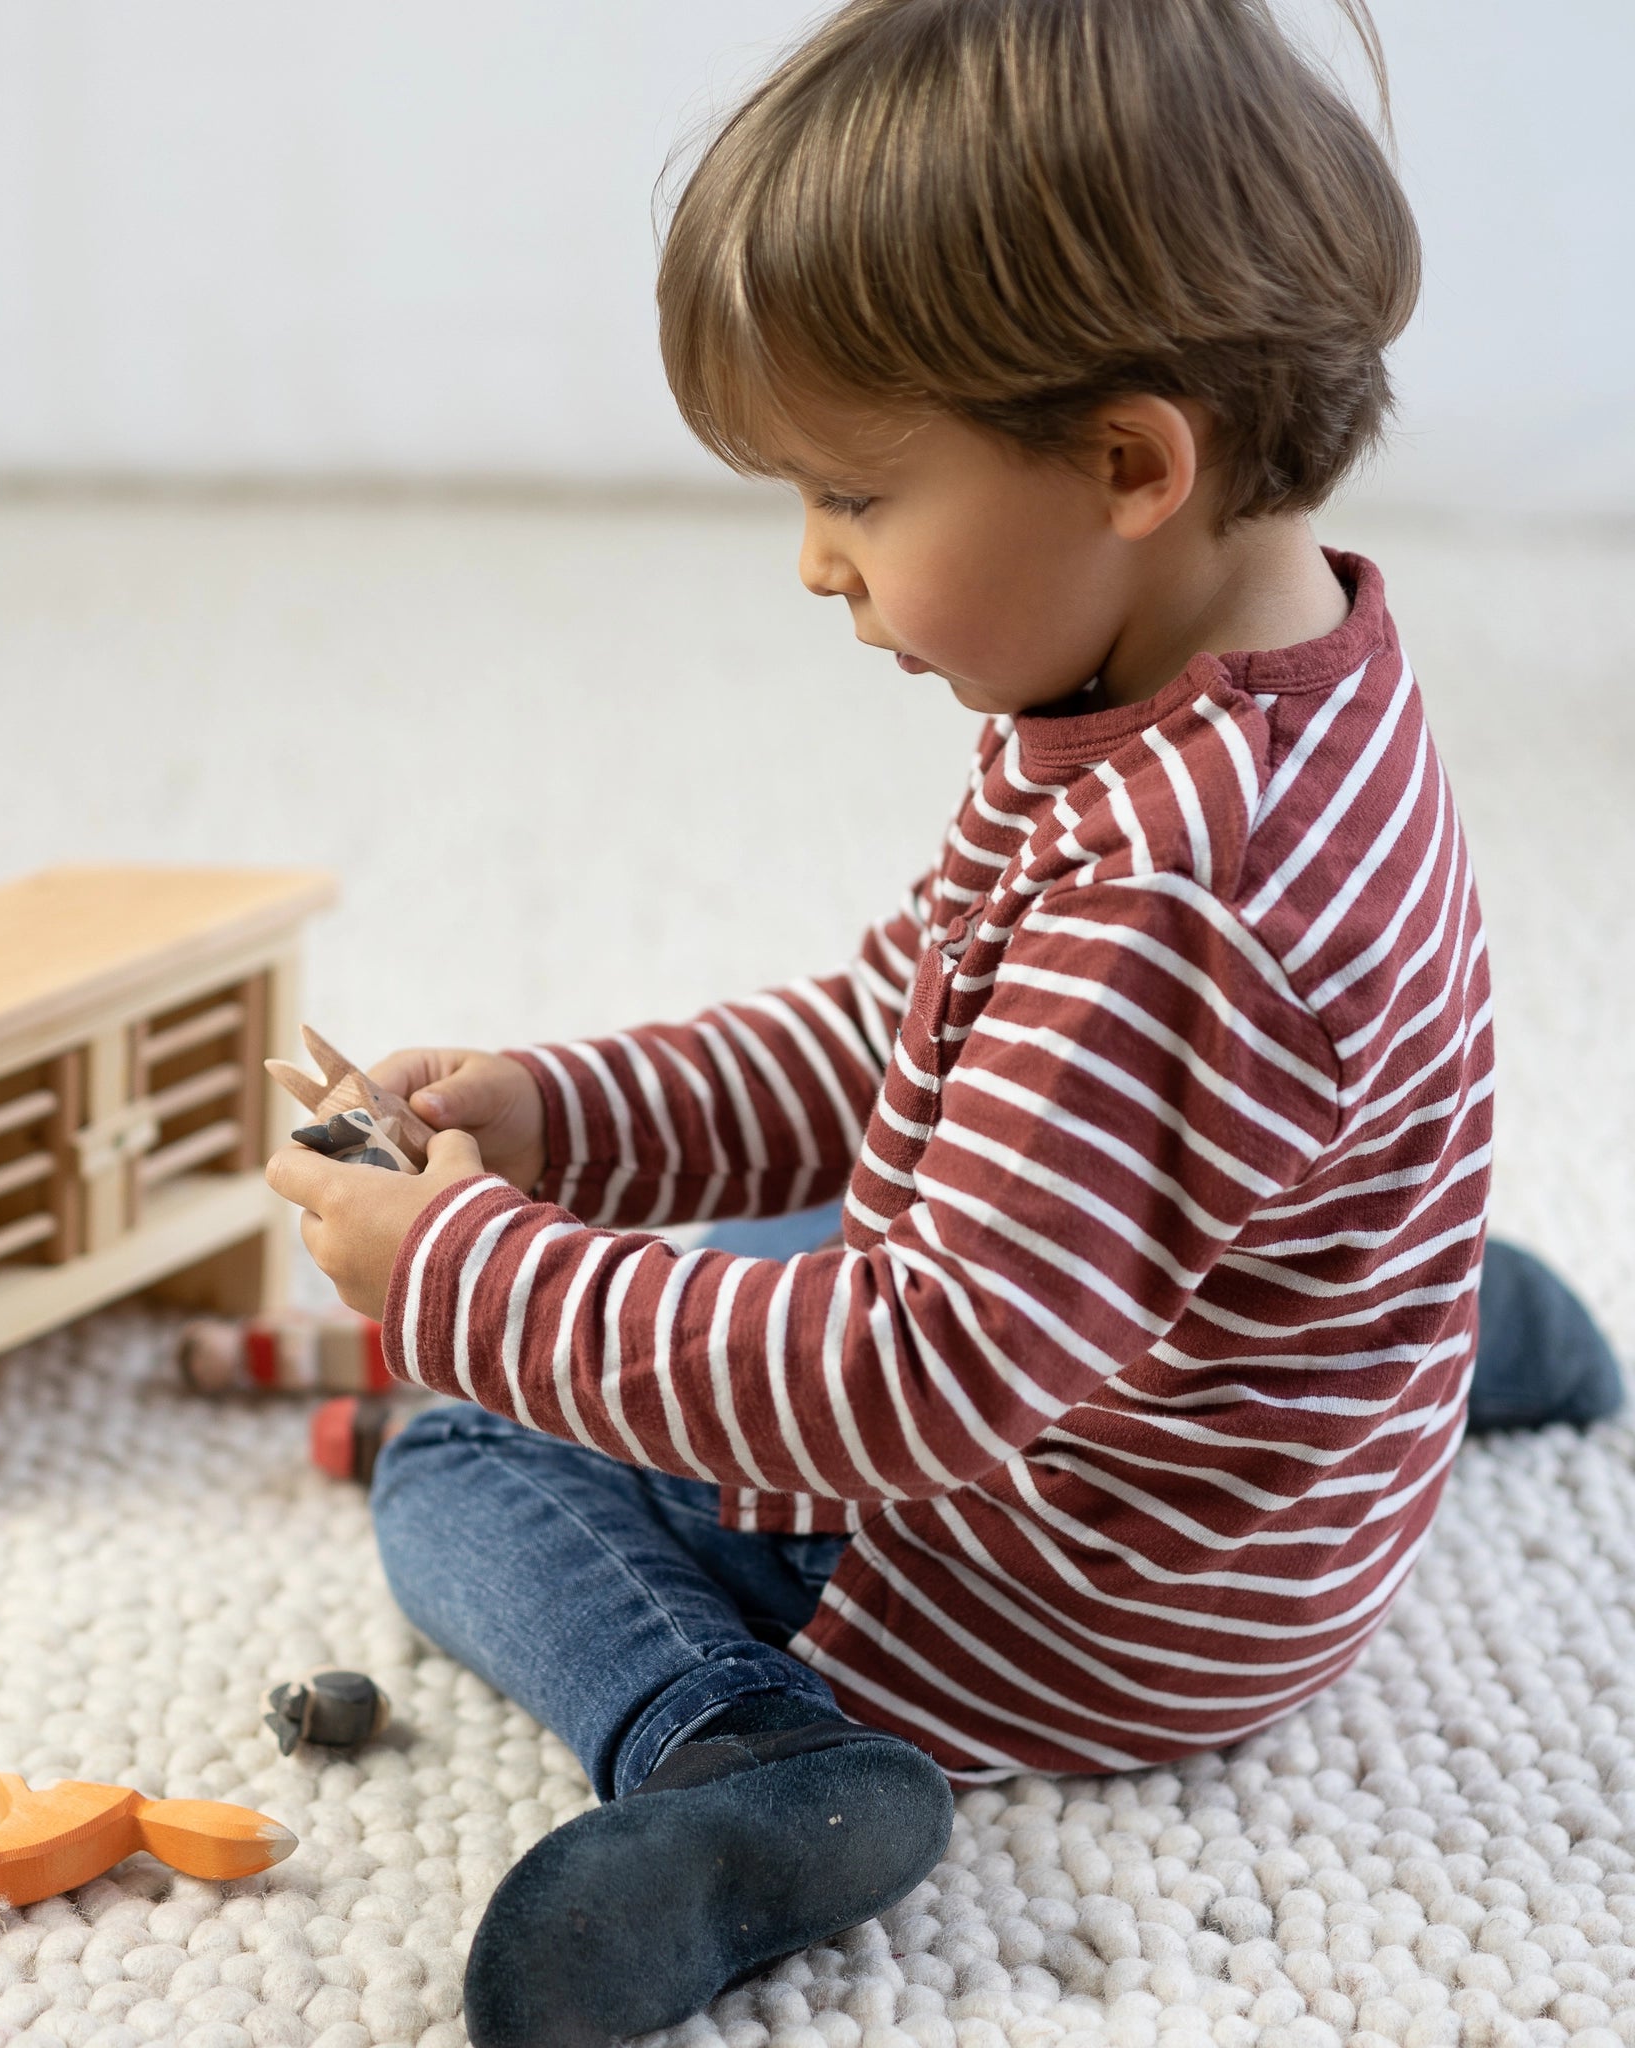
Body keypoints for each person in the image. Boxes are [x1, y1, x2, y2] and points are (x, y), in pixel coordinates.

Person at [264, 1, 1620, 2041]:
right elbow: (911, 1037)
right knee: (720, 1265)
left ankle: (745, 1758)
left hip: (1113, 1590)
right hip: (1247, 1400)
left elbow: (902, 1375)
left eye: (852, 494)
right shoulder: (1241, 666)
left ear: (1128, 462)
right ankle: (1401, 1309)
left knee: (465, 1446)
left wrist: (460, 1272)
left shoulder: (1165, 890)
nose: (813, 564)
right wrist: (571, 1114)